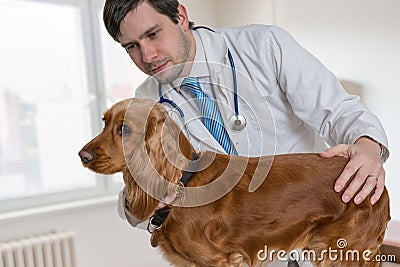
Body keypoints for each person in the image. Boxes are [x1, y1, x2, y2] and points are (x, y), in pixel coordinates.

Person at [103, 0, 389, 266]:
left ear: (181, 16)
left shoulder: (263, 45)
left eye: (153, 34)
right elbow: (135, 199)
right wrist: (151, 204)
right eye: (131, 47)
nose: (148, 56)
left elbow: (338, 110)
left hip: (312, 231)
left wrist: (368, 146)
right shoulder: (146, 105)